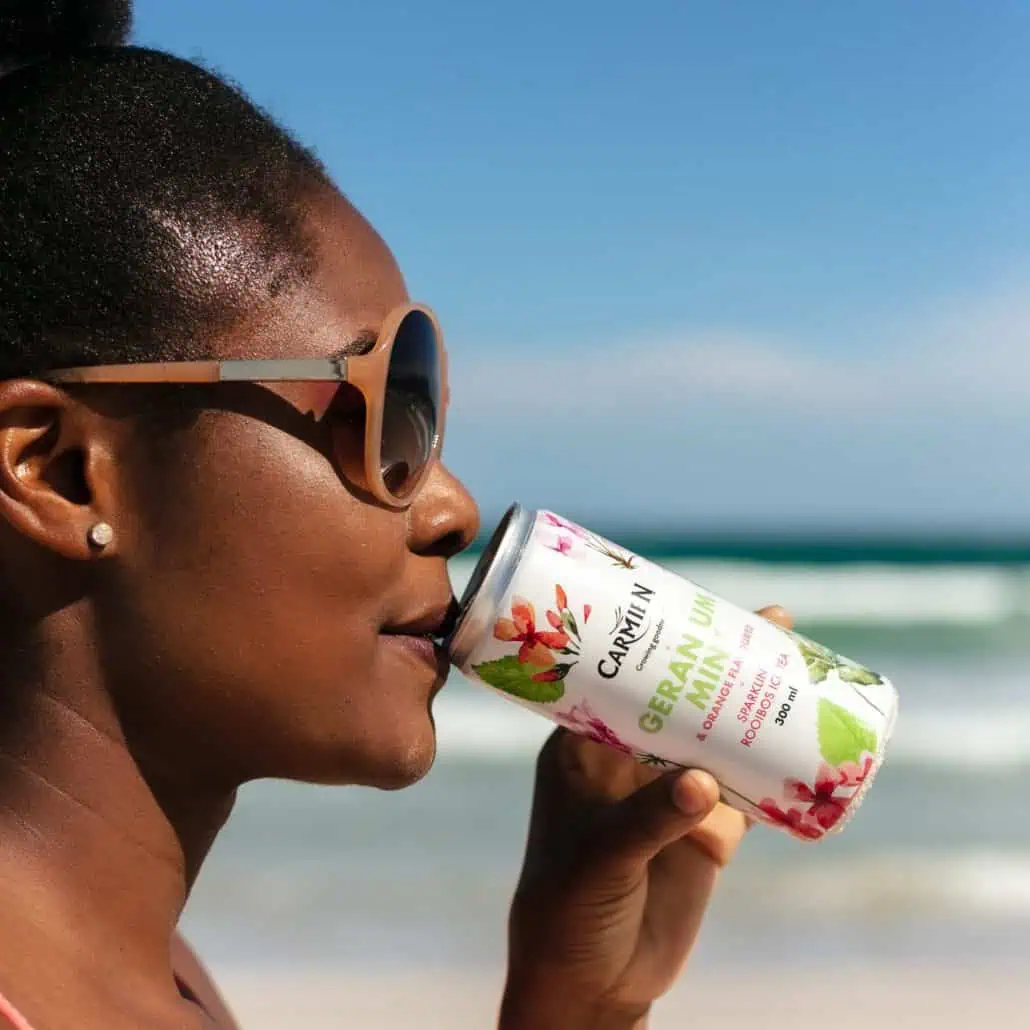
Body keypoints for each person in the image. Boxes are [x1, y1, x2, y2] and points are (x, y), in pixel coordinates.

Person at [0, 3, 793, 1027]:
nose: (452, 507)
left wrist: (570, 1003)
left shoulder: (166, 985)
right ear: (60, 470)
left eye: (427, 413)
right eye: (377, 411)